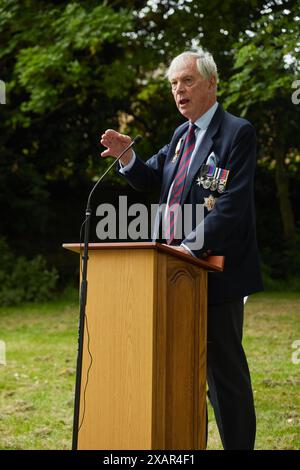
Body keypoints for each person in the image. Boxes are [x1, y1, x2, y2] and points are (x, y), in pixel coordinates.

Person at [100, 50, 263, 450]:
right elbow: (150, 177)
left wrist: (190, 248)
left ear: (211, 83)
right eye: (173, 83)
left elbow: (232, 205)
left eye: (187, 81)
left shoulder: (237, 133)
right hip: (170, 274)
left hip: (213, 273)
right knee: (175, 371)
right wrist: (128, 157)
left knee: (224, 378)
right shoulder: (180, 136)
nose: (179, 90)